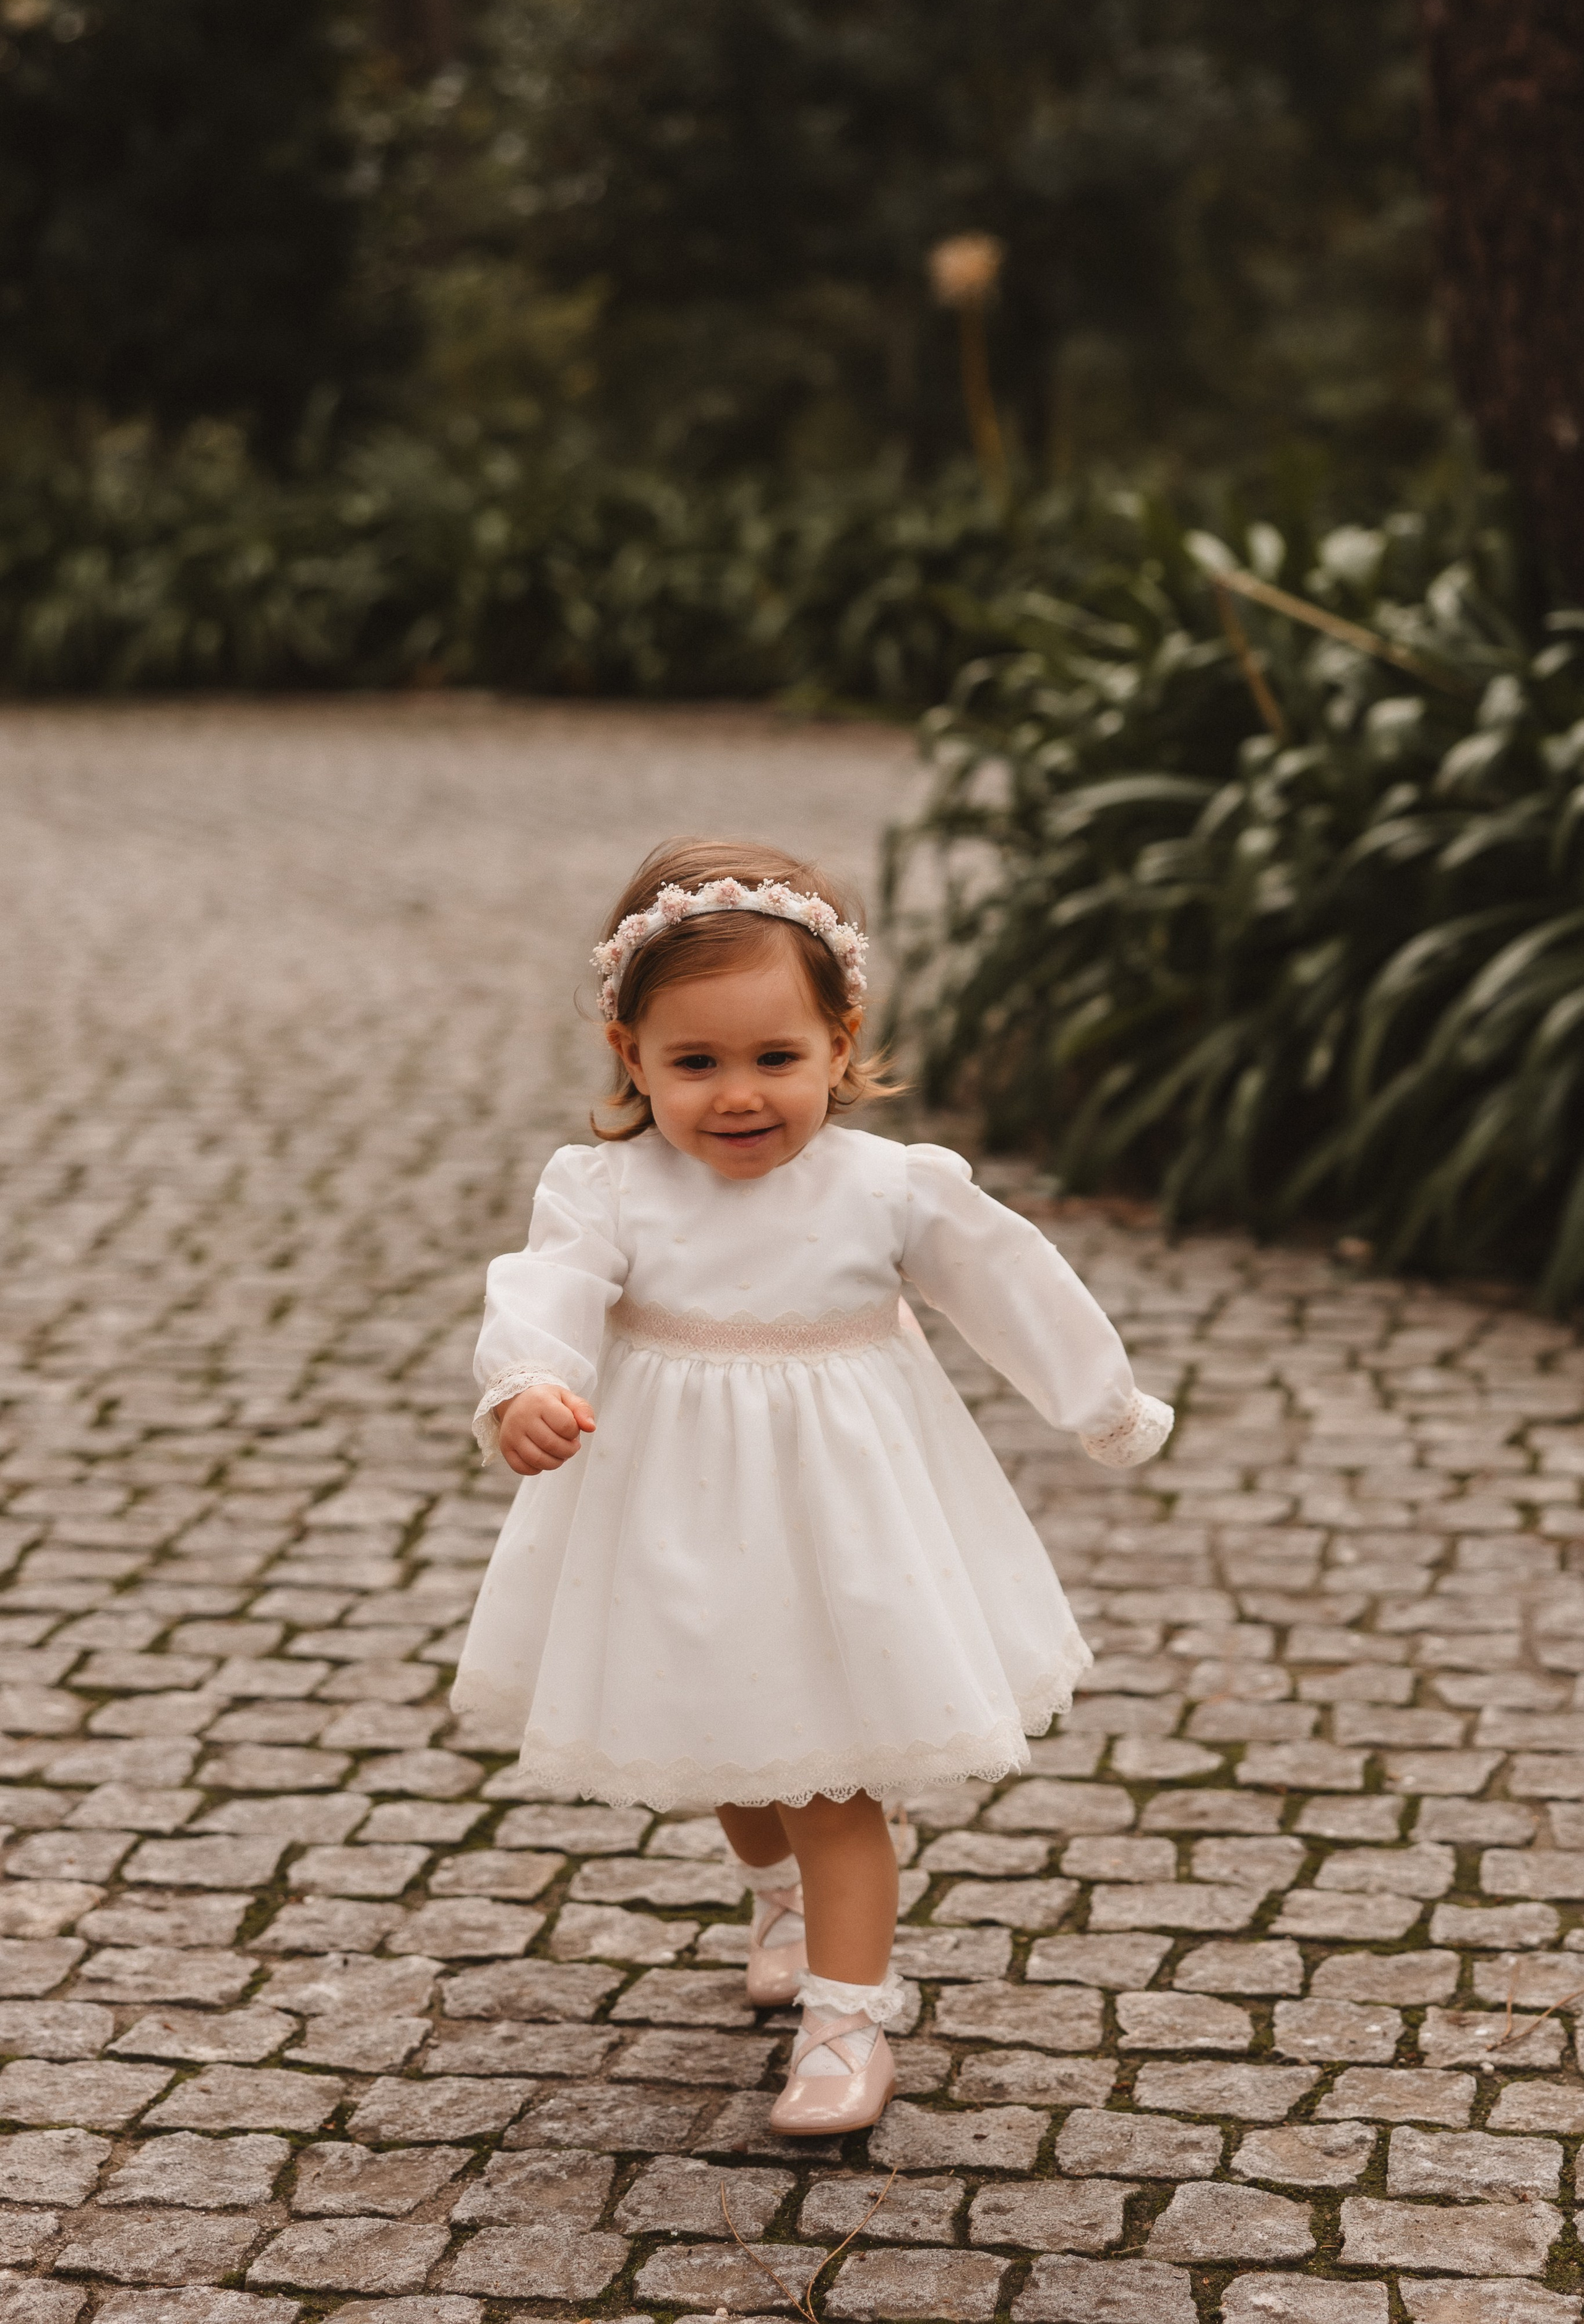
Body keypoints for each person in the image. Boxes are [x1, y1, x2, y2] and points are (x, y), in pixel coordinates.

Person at [452, 837, 1172, 2134]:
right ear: (630, 1056)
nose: (739, 1096)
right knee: (735, 1763)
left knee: (829, 1783)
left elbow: (1009, 1282)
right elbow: (544, 1289)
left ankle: (848, 2024)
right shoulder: (607, 1188)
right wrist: (528, 1384)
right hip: (676, 1516)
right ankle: (776, 1895)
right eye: (695, 1063)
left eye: (775, 1057)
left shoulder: (888, 1188)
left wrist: (1102, 1405)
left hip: (845, 1523)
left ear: (840, 1045)